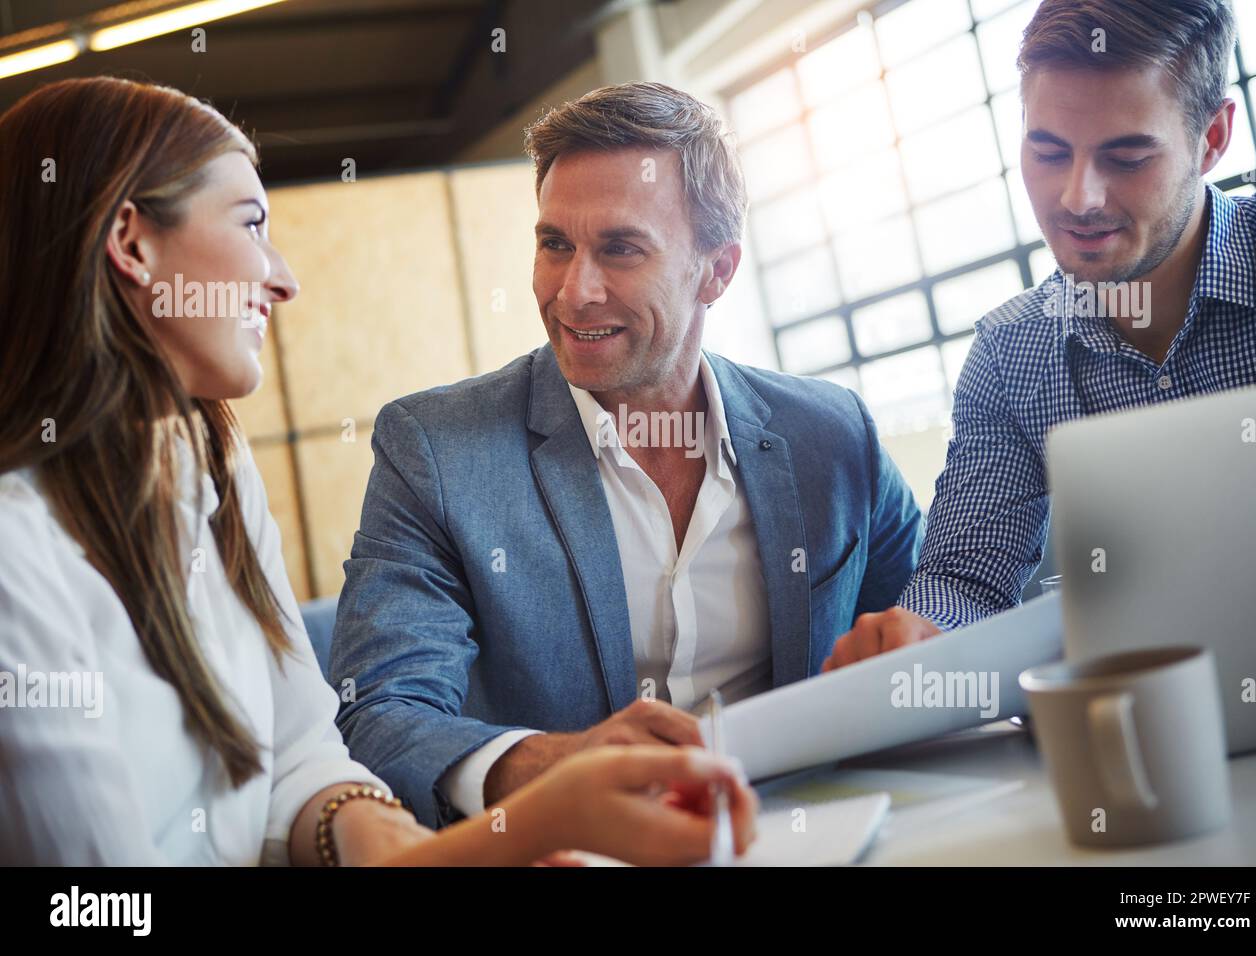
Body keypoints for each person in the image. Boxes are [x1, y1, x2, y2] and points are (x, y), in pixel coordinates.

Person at [0, 76, 756, 866]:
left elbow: (300, 762)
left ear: (717, 271)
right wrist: (528, 823)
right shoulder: (16, 556)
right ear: (131, 243)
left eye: (621, 246)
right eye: (252, 224)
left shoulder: (214, 476)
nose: (283, 278)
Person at [332, 81, 925, 829]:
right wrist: (554, 767)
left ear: (717, 270)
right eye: (555, 245)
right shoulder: (437, 451)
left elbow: (928, 624)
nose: (574, 292)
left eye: (620, 249)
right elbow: (380, 712)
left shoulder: (832, 436)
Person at [824, 0, 1256, 671]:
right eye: (1048, 152)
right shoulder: (1009, 355)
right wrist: (920, 634)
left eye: (1127, 156)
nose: (1079, 198)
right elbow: (967, 578)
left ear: (1213, 138)